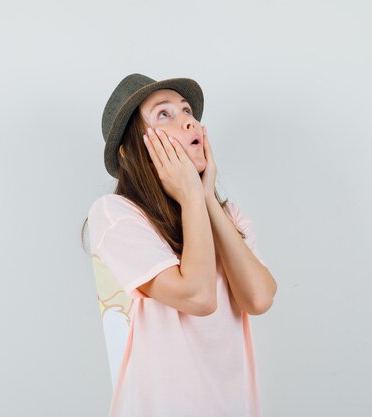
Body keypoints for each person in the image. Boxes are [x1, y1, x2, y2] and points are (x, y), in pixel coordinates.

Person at [80, 73, 277, 417]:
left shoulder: (229, 216)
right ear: (131, 152)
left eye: (187, 111)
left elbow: (259, 298)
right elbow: (198, 297)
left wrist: (206, 201)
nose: (188, 121)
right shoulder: (115, 215)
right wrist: (189, 196)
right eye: (164, 114)